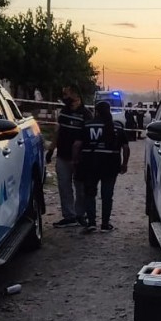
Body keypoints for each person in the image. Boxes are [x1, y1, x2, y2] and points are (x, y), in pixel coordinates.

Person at [76, 100, 130, 233]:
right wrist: (124, 163)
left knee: (89, 193)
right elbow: (125, 147)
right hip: (111, 165)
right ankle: (105, 224)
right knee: (107, 195)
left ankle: (91, 223)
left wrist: (75, 161)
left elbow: (77, 145)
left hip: (90, 164)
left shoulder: (87, 125)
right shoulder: (117, 127)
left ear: (96, 112)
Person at [45, 85, 91, 227]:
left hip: (79, 160)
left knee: (80, 189)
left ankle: (80, 214)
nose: (64, 97)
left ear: (76, 95)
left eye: (66, 94)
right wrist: (51, 150)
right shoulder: (64, 112)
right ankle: (69, 216)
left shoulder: (86, 114)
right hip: (62, 156)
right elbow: (58, 132)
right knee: (64, 188)